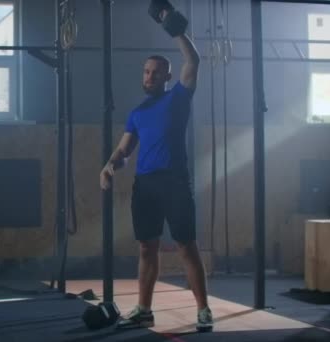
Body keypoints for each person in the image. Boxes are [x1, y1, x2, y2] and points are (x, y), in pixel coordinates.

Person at [99, 6, 213, 332]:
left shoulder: (179, 97)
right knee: (147, 247)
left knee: (185, 246)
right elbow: (123, 150)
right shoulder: (137, 113)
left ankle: (203, 310)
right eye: (145, 72)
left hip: (175, 182)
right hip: (145, 185)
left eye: (155, 72)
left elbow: (194, 61)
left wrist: (172, 27)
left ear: (167, 77)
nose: (148, 77)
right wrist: (108, 167)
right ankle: (144, 310)